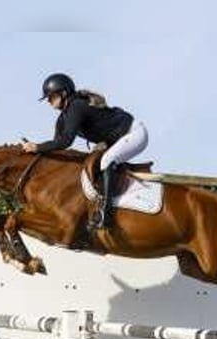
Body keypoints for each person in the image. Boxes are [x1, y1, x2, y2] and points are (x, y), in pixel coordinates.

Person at [21, 73, 149, 230]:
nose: (49, 101)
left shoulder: (77, 106)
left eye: (51, 96)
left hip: (134, 133)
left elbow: (65, 141)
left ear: (64, 92)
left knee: (106, 161)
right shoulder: (63, 118)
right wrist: (37, 151)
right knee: (101, 162)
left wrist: (37, 147)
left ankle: (106, 216)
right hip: (119, 140)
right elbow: (57, 144)